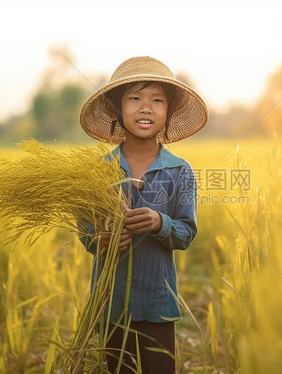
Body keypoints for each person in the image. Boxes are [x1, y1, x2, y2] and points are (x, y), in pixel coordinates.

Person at [79, 56, 208, 374]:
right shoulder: (99, 171)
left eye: (157, 100)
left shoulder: (180, 170)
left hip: (157, 306)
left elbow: (187, 233)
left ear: (169, 112)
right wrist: (104, 240)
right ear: (115, 109)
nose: (146, 108)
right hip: (110, 305)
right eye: (134, 98)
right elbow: (86, 231)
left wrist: (159, 222)